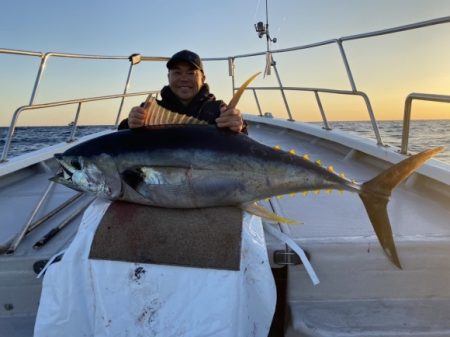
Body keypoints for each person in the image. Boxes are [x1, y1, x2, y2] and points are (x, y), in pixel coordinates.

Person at [118, 49, 247, 133]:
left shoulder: (218, 110)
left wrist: (239, 126)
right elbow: (123, 137)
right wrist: (130, 123)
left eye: (191, 73)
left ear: (203, 79)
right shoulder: (150, 111)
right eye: (177, 73)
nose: (184, 79)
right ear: (168, 77)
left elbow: (240, 142)